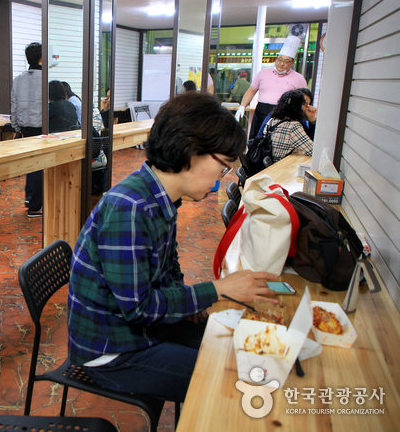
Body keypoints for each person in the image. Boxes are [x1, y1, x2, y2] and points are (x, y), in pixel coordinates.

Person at [67, 92, 278, 404]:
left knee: (240, 350)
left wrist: (190, 306)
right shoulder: (130, 207)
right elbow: (138, 309)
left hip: (138, 328)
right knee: (234, 379)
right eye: (223, 166)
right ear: (192, 151)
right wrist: (216, 290)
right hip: (110, 349)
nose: (223, 177)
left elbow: (169, 266)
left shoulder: (160, 194)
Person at [235, 36, 307, 140]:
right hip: (262, 111)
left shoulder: (299, 79)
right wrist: (242, 106)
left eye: (286, 61)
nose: (281, 64)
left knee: (276, 142)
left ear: (292, 63)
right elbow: (251, 91)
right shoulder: (263, 73)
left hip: (284, 114)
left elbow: (304, 100)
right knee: (256, 140)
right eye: (280, 59)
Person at [11, 42, 43, 217]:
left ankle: (30, 197)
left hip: (25, 128)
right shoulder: (47, 79)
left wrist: (17, 127)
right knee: (40, 165)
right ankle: (35, 207)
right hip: (42, 128)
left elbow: (13, 106)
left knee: (31, 163)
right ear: (41, 57)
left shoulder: (18, 80)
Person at [262, 89, 314, 162]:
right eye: (305, 104)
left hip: (269, 165)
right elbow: (312, 150)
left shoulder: (272, 120)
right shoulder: (293, 126)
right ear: (299, 107)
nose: (307, 108)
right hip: (281, 166)